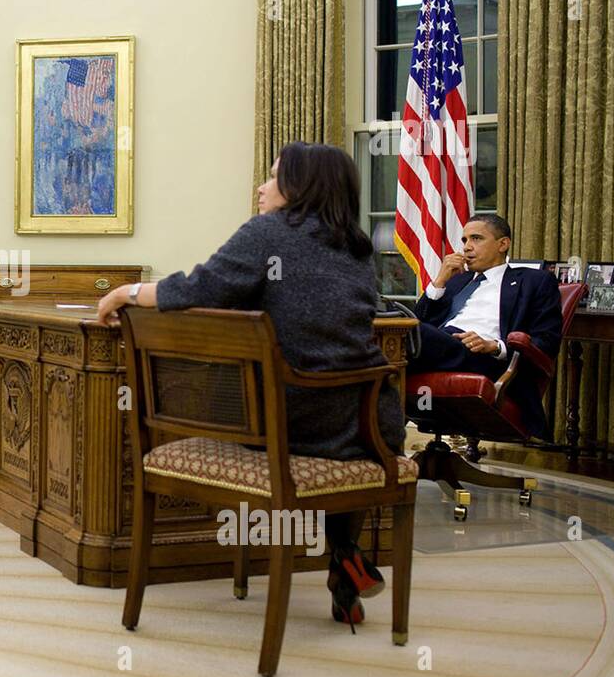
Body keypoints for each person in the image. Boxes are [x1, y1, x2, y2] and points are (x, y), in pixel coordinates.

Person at [98, 142, 404, 630]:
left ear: (298, 187)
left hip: (280, 422)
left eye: (274, 176)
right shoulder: (357, 246)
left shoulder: (268, 232)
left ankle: (342, 556)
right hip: (362, 422)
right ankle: (345, 555)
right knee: (359, 445)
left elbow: (200, 288)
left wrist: (125, 291)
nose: (262, 186)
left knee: (248, 396)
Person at [407, 213, 563, 438]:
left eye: (476, 239)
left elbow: (546, 340)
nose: (467, 247)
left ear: (503, 244)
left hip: (482, 357)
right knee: (391, 329)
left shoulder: (534, 281)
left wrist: (495, 346)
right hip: (439, 348)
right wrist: (439, 281)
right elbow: (420, 320)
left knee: (398, 336)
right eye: (464, 240)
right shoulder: (457, 280)